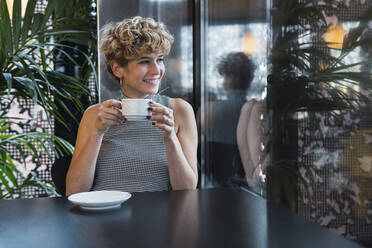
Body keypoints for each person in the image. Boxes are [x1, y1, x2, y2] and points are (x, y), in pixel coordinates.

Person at [65, 16, 198, 196]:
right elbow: (73, 191)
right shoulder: (95, 115)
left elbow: (188, 191)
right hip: (104, 216)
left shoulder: (180, 111)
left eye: (159, 59)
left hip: (158, 218)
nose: (156, 70)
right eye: (144, 61)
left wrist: (169, 137)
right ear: (117, 69)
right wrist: (97, 132)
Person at [197, 52, 256, 187]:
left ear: (229, 79)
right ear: (249, 79)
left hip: (212, 186)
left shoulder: (208, 109)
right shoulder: (256, 112)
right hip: (247, 185)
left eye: (224, 77)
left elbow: (193, 150)